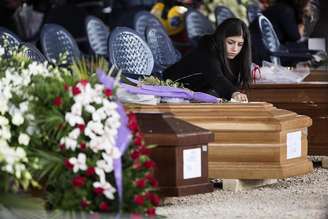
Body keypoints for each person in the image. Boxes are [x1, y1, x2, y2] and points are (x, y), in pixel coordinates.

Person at [163, 18, 252, 102]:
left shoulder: (231, 55)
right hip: (167, 87)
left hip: (195, 89)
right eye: (230, 42)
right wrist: (234, 92)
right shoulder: (206, 50)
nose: (235, 49)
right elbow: (216, 77)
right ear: (221, 38)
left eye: (240, 44)